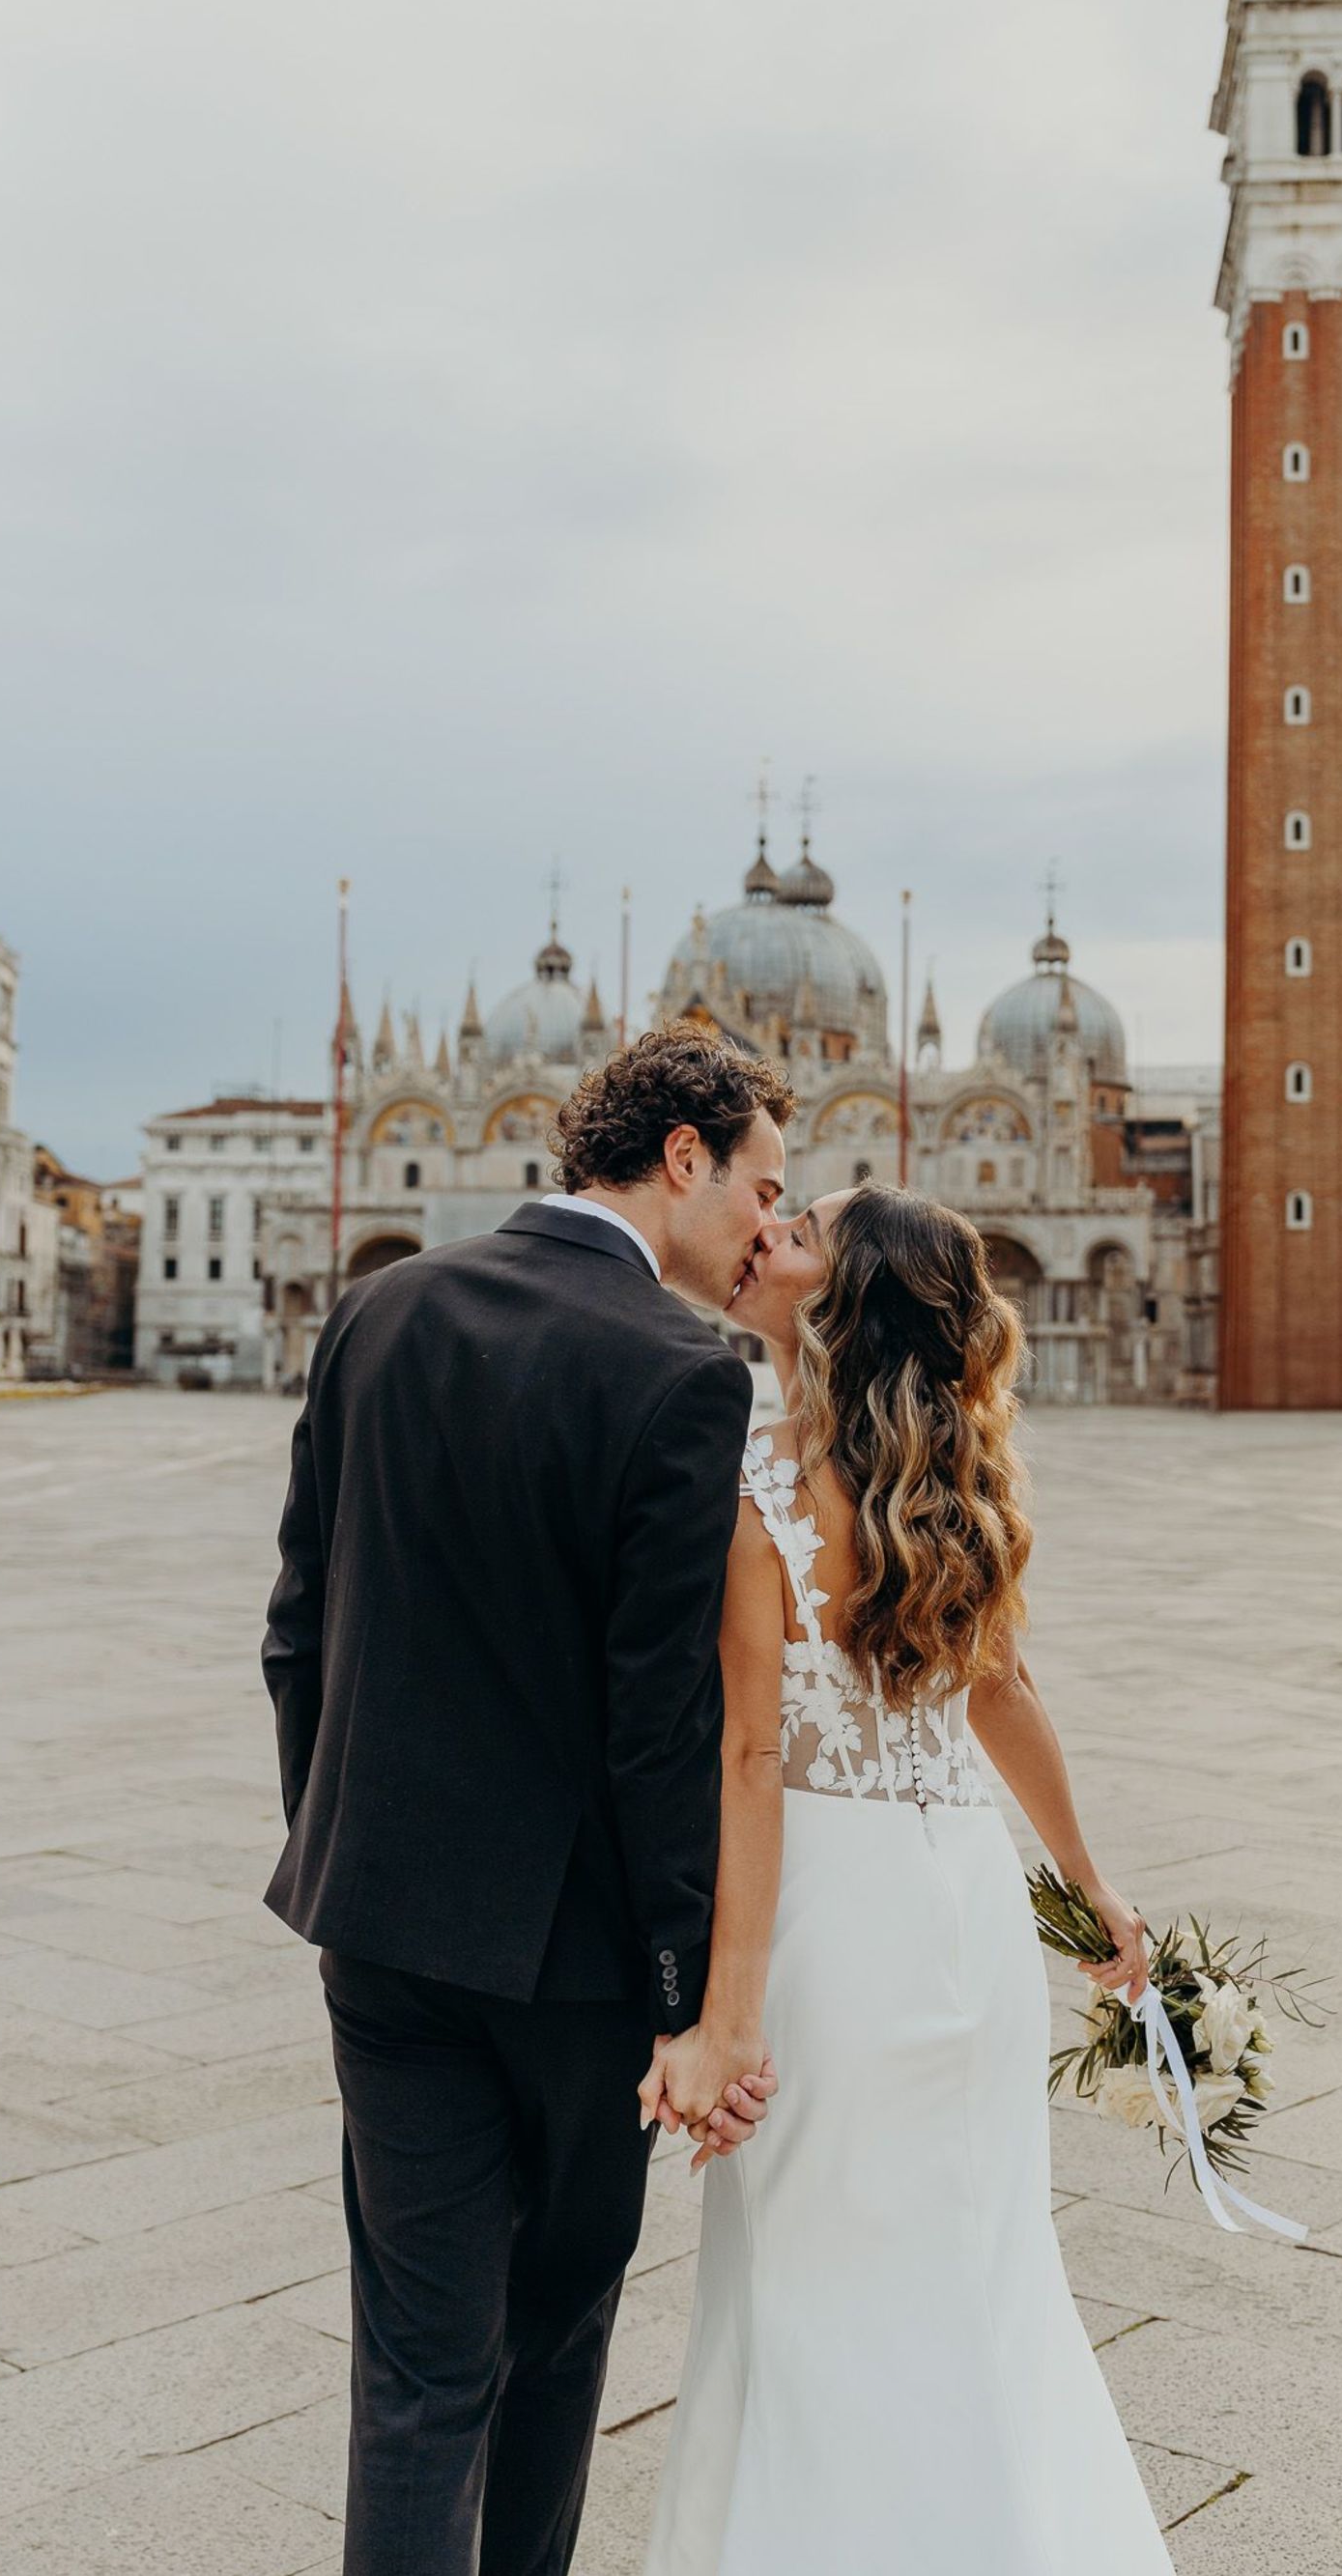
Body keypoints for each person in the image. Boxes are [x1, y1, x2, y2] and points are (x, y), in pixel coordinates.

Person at [261, 1025, 793, 2576]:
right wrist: (686, 1998)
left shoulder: (376, 1311)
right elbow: (657, 1724)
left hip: (379, 1931)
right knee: (554, 2338)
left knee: (415, 2369)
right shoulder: (685, 1372)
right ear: (683, 1156)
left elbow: (297, 1626)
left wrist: (343, 1845)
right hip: (574, 1969)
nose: (768, 1223)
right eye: (762, 1185)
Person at [640, 1181, 1175, 2575]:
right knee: (976, 2263)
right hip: (964, 1907)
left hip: (831, 1919)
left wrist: (726, 2017)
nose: (767, 1233)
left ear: (844, 1297)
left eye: (801, 1229)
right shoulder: (959, 1479)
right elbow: (1005, 1692)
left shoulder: (757, 1480)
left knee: (811, 2270)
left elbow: (751, 1754)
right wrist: (1087, 1883)